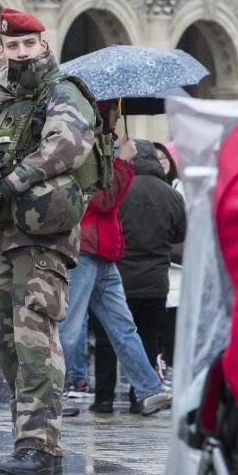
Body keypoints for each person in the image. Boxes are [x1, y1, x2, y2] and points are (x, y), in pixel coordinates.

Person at [0, 8, 99, 475]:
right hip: (4, 237)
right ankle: (28, 444)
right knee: (10, 346)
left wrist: (11, 180)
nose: (21, 53)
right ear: (2, 50)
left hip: (41, 238)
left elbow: (66, 146)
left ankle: (43, 449)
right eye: (13, 46)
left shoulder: (62, 92)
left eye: (29, 44)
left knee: (35, 341)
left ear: (43, 45)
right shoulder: (1, 102)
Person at [58, 117, 174, 416]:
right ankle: (49, 393)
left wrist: (119, 161)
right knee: (70, 328)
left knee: (123, 327)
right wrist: (122, 162)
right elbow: (105, 201)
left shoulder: (100, 152)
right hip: (86, 250)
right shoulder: (82, 155)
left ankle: (149, 388)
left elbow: (111, 202)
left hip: (103, 252)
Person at [92, 139, 185, 411]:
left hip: (117, 275)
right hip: (156, 280)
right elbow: (181, 233)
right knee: (146, 337)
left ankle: (104, 398)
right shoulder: (171, 194)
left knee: (107, 338)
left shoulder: (118, 189)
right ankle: (140, 397)